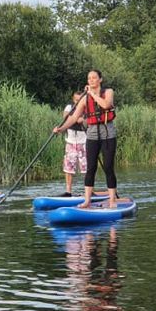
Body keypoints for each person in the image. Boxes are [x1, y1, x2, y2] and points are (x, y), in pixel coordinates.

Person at [53, 69, 118, 208]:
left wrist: (92, 94)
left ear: (100, 79)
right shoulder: (84, 98)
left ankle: (112, 201)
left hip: (108, 134)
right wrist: (61, 128)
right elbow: (73, 118)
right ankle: (87, 201)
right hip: (92, 135)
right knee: (91, 168)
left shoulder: (108, 92)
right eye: (89, 78)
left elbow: (106, 105)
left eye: (94, 78)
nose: (91, 80)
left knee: (108, 167)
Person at [61, 90, 87, 196]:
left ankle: (89, 191)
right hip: (71, 142)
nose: (78, 102)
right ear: (73, 99)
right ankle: (68, 191)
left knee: (86, 168)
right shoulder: (69, 107)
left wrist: (82, 119)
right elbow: (65, 117)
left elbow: (86, 121)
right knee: (69, 167)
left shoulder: (86, 108)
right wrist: (75, 118)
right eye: (76, 100)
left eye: (80, 100)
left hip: (84, 141)